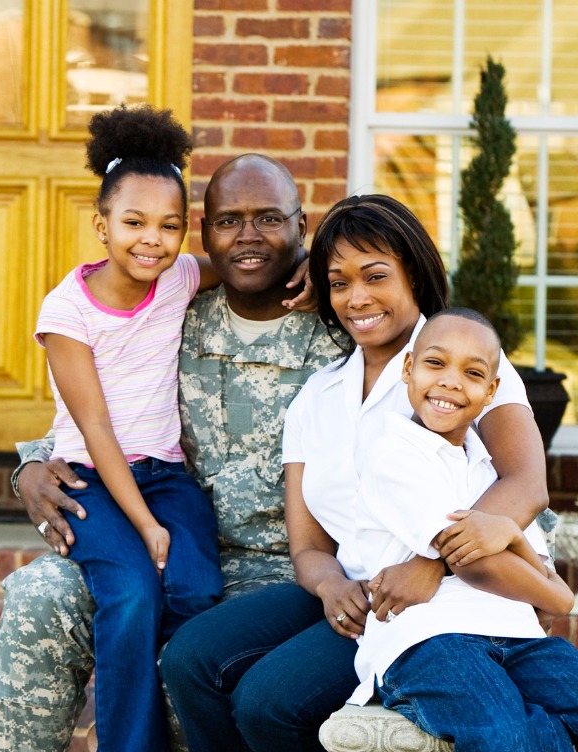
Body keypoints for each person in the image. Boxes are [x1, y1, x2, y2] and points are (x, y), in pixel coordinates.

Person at [159, 195, 555, 752]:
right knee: (189, 658)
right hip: (354, 585)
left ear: (413, 274)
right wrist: (328, 586)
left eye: (375, 276)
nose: (357, 298)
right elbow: (309, 544)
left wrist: (431, 561)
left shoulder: (459, 365)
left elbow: (524, 483)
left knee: (268, 702)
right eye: (338, 282)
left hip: (434, 597)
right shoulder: (320, 393)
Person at [0, 153, 345, 752]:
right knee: (40, 595)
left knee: (191, 628)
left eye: (269, 221)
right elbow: (102, 413)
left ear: (301, 226)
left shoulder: (341, 326)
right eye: (229, 222)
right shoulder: (176, 305)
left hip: (293, 564)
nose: (248, 237)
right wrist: (29, 465)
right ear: (204, 235)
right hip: (157, 528)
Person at [338, 307, 578, 751]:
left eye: (472, 373)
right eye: (435, 363)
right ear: (408, 368)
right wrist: (558, 593)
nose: (451, 382)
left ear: (492, 390)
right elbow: (480, 565)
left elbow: (525, 562)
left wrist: (512, 537)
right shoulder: (392, 451)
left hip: (518, 634)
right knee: (505, 736)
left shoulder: (490, 465)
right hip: (429, 639)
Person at [34, 104, 225, 752]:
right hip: (92, 477)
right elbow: (93, 428)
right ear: (101, 225)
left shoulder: (178, 276)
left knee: (196, 587)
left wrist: (308, 274)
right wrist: (144, 525)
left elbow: (245, 260)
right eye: (134, 222)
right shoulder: (66, 312)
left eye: (171, 226)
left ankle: (145, 686)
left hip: (166, 474)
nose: (153, 239)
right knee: (134, 594)